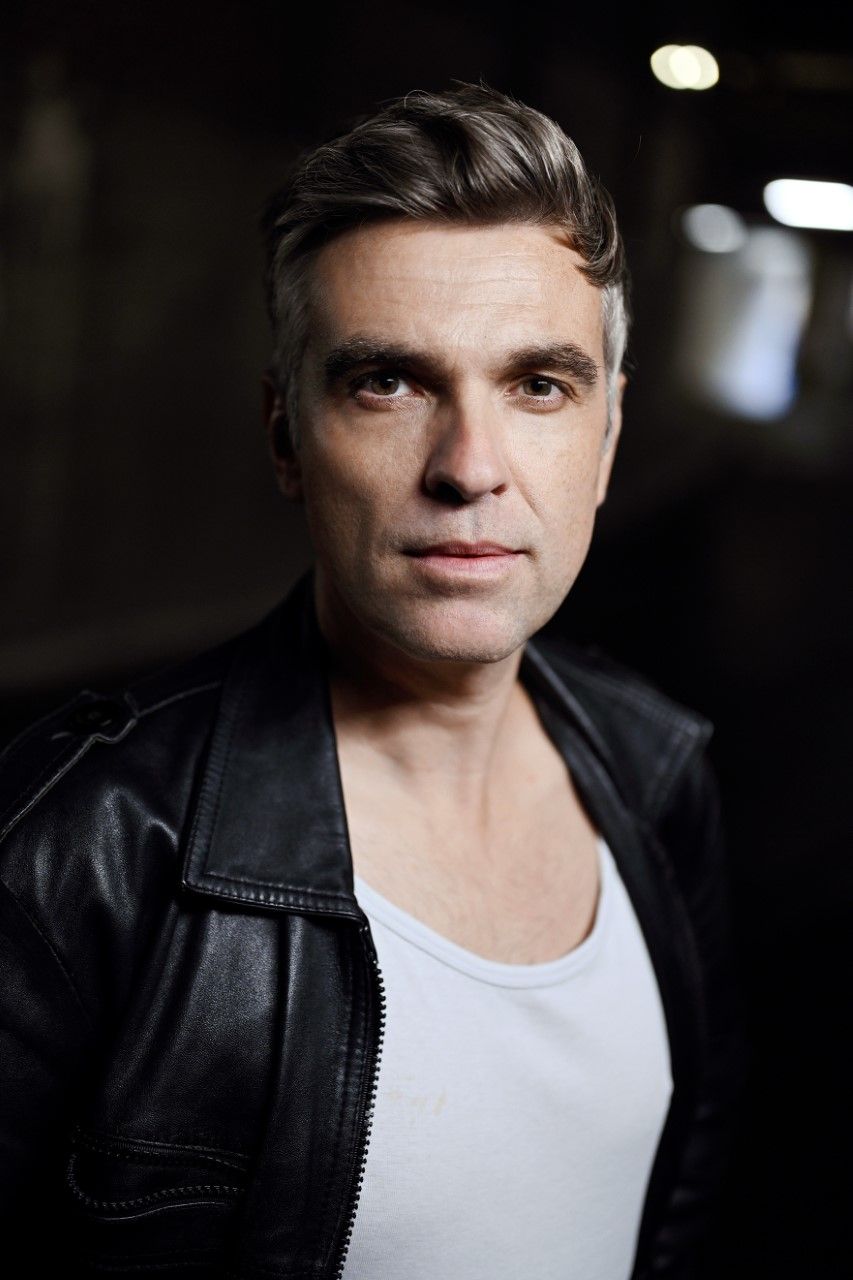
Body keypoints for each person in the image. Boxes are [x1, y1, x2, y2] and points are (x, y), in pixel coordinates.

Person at [0, 83, 743, 1278]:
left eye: (538, 385)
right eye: (388, 381)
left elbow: (683, 1189)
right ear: (285, 434)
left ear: (605, 440)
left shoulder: (656, 772)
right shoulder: (76, 853)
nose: (468, 467)